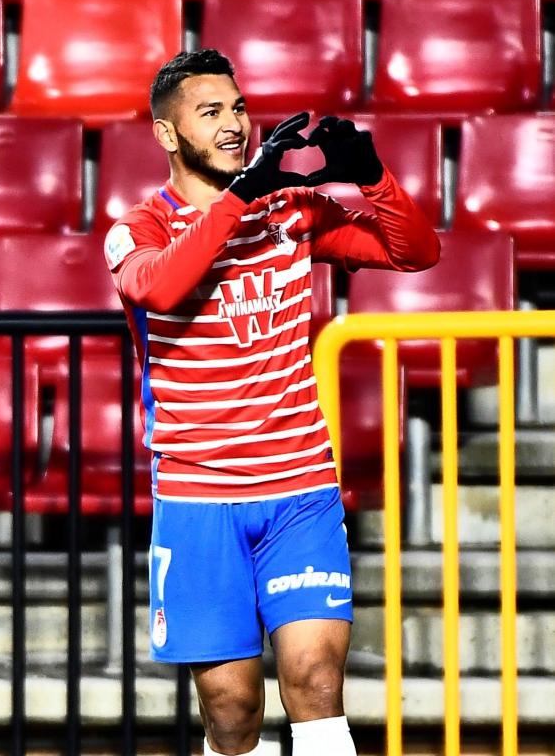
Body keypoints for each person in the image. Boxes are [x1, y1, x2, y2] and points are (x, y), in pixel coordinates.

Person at [104, 49, 440, 756]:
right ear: (167, 135)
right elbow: (159, 288)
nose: (234, 125)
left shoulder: (290, 212)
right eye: (210, 112)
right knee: (231, 711)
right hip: (199, 498)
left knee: (316, 678)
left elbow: (417, 252)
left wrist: (372, 176)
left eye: (238, 108)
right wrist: (238, 200)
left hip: (299, 491)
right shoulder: (139, 228)